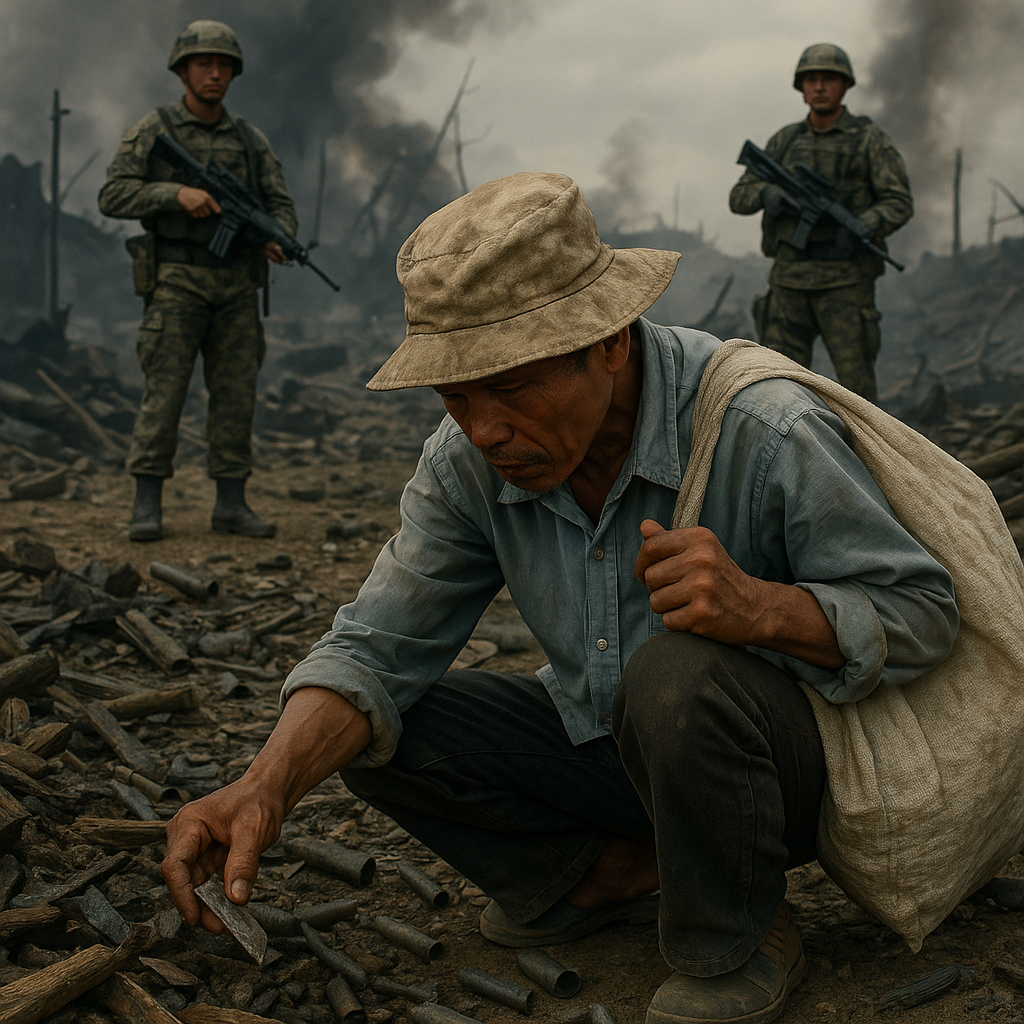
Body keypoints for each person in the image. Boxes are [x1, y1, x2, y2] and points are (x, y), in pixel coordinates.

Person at [161, 173, 957, 1024]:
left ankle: (741, 931)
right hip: (621, 757)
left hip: (783, 778)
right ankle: (617, 874)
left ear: (609, 342)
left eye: (511, 386)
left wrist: (765, 609)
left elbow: (921, 611)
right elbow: (374, 649)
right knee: (377, 721)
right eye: (456, 396)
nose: (486, 428)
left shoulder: (765, 428)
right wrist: (265, 786)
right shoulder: (467, 460)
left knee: (674, 676)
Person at [98, 20, 298, 541]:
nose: (215, 74)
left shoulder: (249, 141)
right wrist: (174, 195)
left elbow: (277, 203)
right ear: (182, 70)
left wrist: (279, 237)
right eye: (204, 64)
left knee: (235, 397)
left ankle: (230, 504)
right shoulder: (154, 131)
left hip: (237, 285)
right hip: (177, 281)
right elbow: (113, 195)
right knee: (164, 394)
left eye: (224, 65)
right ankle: (147, 504)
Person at [729, 43, 913, 403]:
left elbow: (899, 201)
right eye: (811, 79)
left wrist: (863, 224)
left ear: (845, 86)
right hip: (789, 283)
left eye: (829, 79)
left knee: (857, 393)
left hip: (845, 283)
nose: (819, 87)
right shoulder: (786, 141)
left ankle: (862, 459)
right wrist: (767, 194)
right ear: (801, 88)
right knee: (777, 388)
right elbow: (740, 196)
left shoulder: (868, 141)